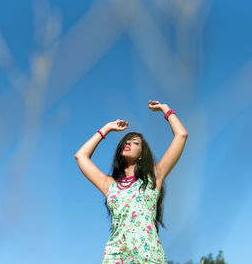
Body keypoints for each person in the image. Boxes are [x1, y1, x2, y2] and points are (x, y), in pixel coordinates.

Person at [74, 100, 188, 264]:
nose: (128, 143)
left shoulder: (154, 177)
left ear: (141, 155)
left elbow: (181, 135)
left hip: (149, 257)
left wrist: (165, 109)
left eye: (135, 143)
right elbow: (81, 156)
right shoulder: (110, 186)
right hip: (115, 257)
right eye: (126, 141)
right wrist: (107, 128)